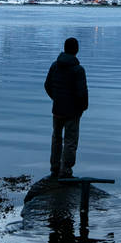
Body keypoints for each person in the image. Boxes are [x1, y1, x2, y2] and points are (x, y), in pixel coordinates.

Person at [45, 37, 89, 178]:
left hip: (57, 109)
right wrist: (82, 108)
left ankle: (55, 168)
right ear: (76, 50)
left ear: (64, 49)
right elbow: (82, 93)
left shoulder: (54, 65)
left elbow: (47, 85)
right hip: (72, 112)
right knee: (70, 141)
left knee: (56, 139)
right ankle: (66, 171)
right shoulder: (78, 70)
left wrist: (56, 98)